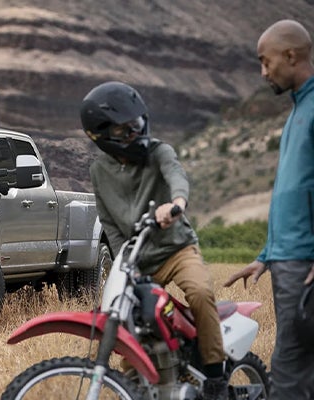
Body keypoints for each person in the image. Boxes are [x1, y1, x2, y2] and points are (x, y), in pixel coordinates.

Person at [80, 81, 228, 399]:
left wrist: (177, 205)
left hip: (176, 248)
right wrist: (125, 266)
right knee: (129, 321)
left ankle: (216, 374)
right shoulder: (98, 172)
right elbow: (110, 224)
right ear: (102, 135)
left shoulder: (160, 150)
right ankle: (136, 383)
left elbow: (176, 175)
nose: (135, 134)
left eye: (137, 125)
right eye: (124, 130)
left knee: (200, 292)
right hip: (137, 261)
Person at [223, 19, 314, 399]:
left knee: (290, 367)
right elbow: (295, 195)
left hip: (303, 263)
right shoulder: (298, 111)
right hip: (287, 259)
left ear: (290, 55)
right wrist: (265, 256)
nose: (263, 72)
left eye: (266, 61)